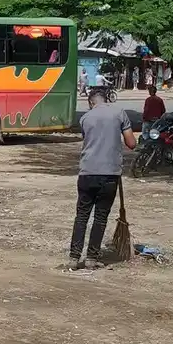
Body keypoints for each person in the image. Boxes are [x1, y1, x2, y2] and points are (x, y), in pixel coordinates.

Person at [69, 89, 137, 270]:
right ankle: (91, 258)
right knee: (100, 217)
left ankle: (74, 258)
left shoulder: (85, 119)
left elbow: (89, 141)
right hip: (110, 174)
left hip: (87, 173)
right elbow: (131, 143)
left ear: (91, 102)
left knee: (81, 216)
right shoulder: (119, 113)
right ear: (106, 100)